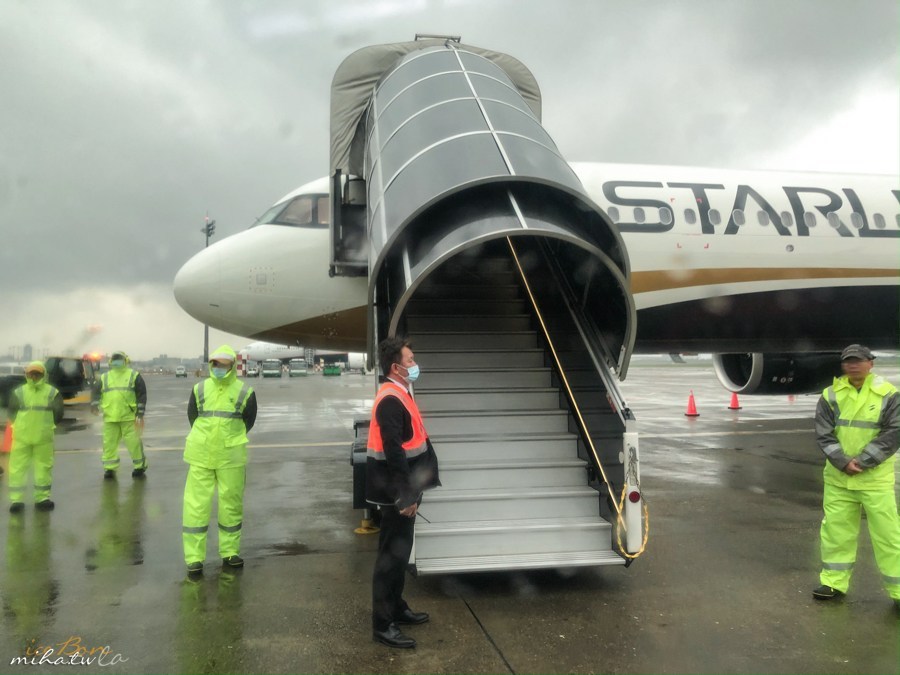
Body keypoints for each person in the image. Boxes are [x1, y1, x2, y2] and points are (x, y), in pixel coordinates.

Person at [813, 344, 900, 613]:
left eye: (858, 361)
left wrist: (862, 461)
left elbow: (895, 432)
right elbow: (824, 434)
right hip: (839, 479)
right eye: (848, 362)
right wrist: (842, 461)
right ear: (843, 366)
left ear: (870, 363)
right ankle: (834, 583)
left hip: (874, 479)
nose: (853, 365)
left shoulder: (888, 394)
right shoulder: (830, 395)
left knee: (888, 536)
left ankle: (898, 590)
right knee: (836, 534)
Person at [366, 337, 440, 648]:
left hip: (405, 489)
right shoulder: (390, 399)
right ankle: (382, 625)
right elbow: (394, 452)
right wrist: (405, 495)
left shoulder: (400, 392)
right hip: (396, 493)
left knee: (399, 554)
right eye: (410, 360)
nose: (414, 364)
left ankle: (395, 607)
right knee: (390, 559)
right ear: (396, 367)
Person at [182, 345, 257, 577]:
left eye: (223, 364)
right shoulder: (199, 388)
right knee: (195, 506)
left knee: (231, 505)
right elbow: (192, 416)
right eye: (215, 364)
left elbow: (249, 420)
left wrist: (229, 437)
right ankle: (194, 558)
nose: (218, 368)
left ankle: (230, 552)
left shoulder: (245, 391)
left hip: (230, 457)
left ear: (232, 366)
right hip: (201, 455)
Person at [6, 362, 64, 513]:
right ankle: (16, 500)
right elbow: (12, 412)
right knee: (17, 469)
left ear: (43, 374)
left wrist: (47, 426)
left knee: (43, 468)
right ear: (27, 374)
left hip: (43, 438)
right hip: (21, 437)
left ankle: (42, 499)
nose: (34, 376)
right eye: (31, 373)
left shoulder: (52, 392)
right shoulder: (20, 392)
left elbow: (58, 413)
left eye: (37, 373)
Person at [91, 351, 148, 479]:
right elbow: (95, 393)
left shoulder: (134, 375)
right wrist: (94, 405)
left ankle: (139, 467)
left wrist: (140, 413)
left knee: (134, 443)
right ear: (111, 361)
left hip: (129, 418)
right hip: (110, 418)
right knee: (109, 445)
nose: (117, 361)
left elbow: (141, 394)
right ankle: (110, 469)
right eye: (115, 359)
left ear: (126, 361)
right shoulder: (104, 378)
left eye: (119, 359)